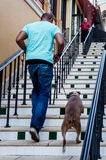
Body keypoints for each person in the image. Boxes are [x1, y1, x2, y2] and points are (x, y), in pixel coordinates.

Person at [15, 13, 65, 142]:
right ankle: (35, 126)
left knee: (36, 90)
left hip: (31, 62)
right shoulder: (53, 27)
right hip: (45, 63)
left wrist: (26, 50)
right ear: (52, 20)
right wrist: (58, 54)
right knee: (43, 92)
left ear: (41, 18)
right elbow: (60, 41)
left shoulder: (30, 26)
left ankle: (35, 118)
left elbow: (18, 39)